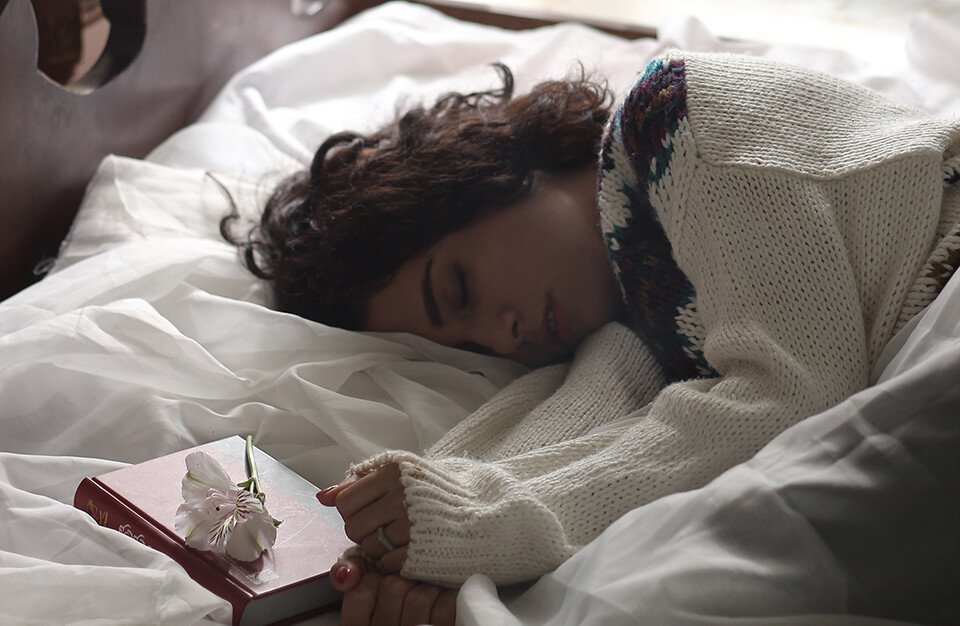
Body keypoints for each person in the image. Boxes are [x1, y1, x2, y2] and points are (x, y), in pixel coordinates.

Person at [224, 51, 960, 626]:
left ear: (490, 174)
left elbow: (789, 394)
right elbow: (571, 424)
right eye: (478, 351)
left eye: (460, 291)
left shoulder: (677, 125)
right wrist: (398, 545)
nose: (503, 335)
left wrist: (484, 526)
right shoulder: (636, 293)